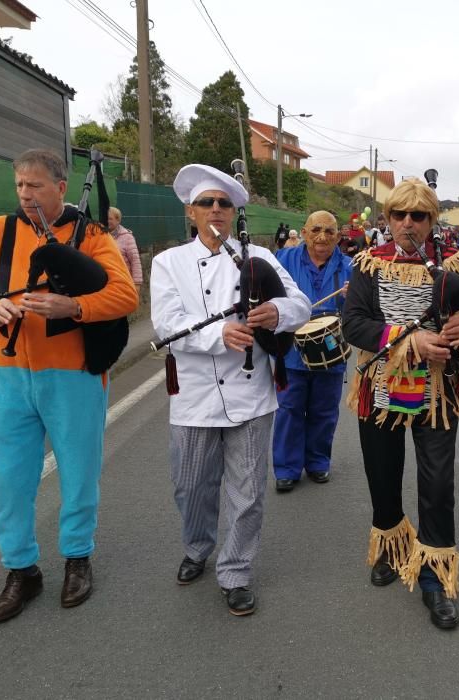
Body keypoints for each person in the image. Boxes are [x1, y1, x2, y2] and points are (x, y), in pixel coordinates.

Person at [0, 149, 139, 623]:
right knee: (9, 480)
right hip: (7, 374)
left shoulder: (93, 235)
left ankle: (77, 558)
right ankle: (21, 570)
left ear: (61, 188)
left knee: (79, 474)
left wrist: (75, 309)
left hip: (74, 373)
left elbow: (125, 295)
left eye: (36, 185)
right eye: (20, 185)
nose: (26, 194)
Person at [342, 178, 459, 630]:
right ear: (388, 220)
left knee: (437, 486)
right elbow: (353, 323)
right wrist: (409, 338)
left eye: (418, 216)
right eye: (400, 215)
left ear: (432, 221)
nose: (408, 224)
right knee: (383, 475)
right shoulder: (368, 265)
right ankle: (392, 549)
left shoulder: (453, 264)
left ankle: (436, 578)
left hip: (437, 395)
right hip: (379, 391)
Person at [151, 164, 311, 616]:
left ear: (233, 211)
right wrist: (216, 335)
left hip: (250, 392)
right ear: (191, 212)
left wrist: (277, 314)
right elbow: (166, 324)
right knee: (190, 485)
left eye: (223, 203)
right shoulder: (169, 263)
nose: (216, 210)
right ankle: (198, 546)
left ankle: (236, 568)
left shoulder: (258, 255)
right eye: (207, 203)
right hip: (195, 396)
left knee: (248, 489)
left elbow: (298, 301)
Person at [273, 211, 353, 492]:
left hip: (331, 349)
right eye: (316, 230)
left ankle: (318, 462)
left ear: (339, 237)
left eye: (329, 232)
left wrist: (351, 297)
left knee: (324, 410)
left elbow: (360, 311)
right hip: (291, 351)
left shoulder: (349, 267)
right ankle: (286, 468)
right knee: (288, 409)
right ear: (304, 233)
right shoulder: (282, 261)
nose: (322, 237)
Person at [107, 206, 143, 289]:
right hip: (106, 283)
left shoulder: (127, 238)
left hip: (123, 283)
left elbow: (135, 261)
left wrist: (137, 284)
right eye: (106, 218)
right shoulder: (101, 235)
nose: (107, 221)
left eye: (110, 219)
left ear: (118, 220)